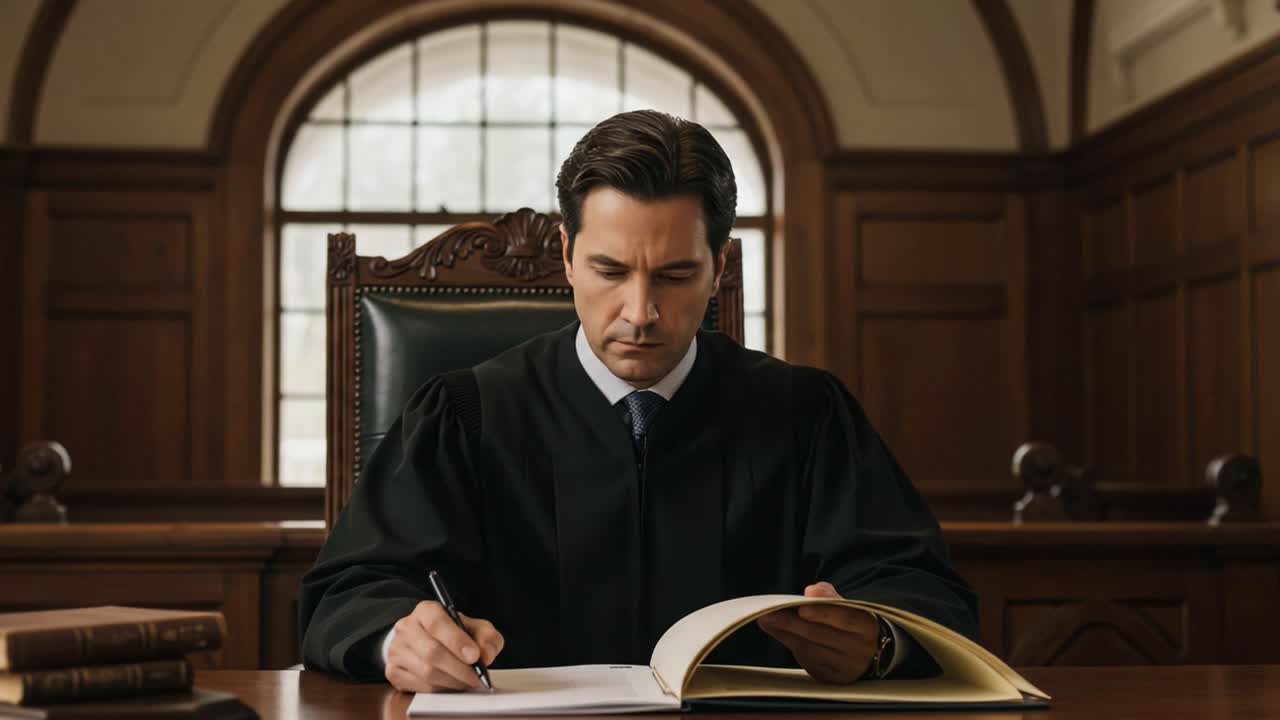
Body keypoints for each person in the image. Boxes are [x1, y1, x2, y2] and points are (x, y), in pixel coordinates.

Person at [298, 109, 977, 693]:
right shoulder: (466, 414)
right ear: (567, 256)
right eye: (609, 270)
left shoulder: (806, 415)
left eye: (676, 275)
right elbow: (348, 595)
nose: (641, 312)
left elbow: (923, 592)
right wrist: (399, 640)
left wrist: (879, 639)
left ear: (719, 265)